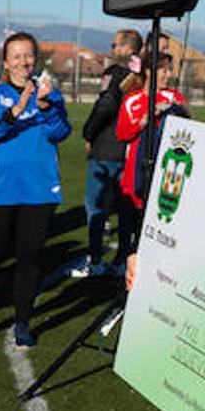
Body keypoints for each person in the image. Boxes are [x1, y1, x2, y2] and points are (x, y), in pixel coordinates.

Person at [0, 32, 70, 349]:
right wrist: (15, 111)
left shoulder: (49, 93)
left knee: (29, 258)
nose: (24, 62)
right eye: (17, 56)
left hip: (38, 190)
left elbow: (61, 131)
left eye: (28, 56)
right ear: (6, 62)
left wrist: (47, 106)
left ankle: (23, 323)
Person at [75, 28, 140, 277]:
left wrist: (89, 133)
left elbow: (106, 105)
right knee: (125, 208)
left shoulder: (115, 72)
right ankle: (122, 259)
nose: (112, 49)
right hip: (128, 148)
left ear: (126, 48)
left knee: (96, 205)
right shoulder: (139, 74)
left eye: (115, 45)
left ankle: (95, 259)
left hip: (106, 147)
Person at [115, 50, 189, 211]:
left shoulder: (172, 96)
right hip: (135, 173)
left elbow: (189, 126)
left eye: (169, 70)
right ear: (149, 72)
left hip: (166, 173)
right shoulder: (132, 100)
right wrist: (144, 120)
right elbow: (122, 134)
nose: (168, 75)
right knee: (130, 224)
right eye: (164, 70)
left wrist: (180, 109)